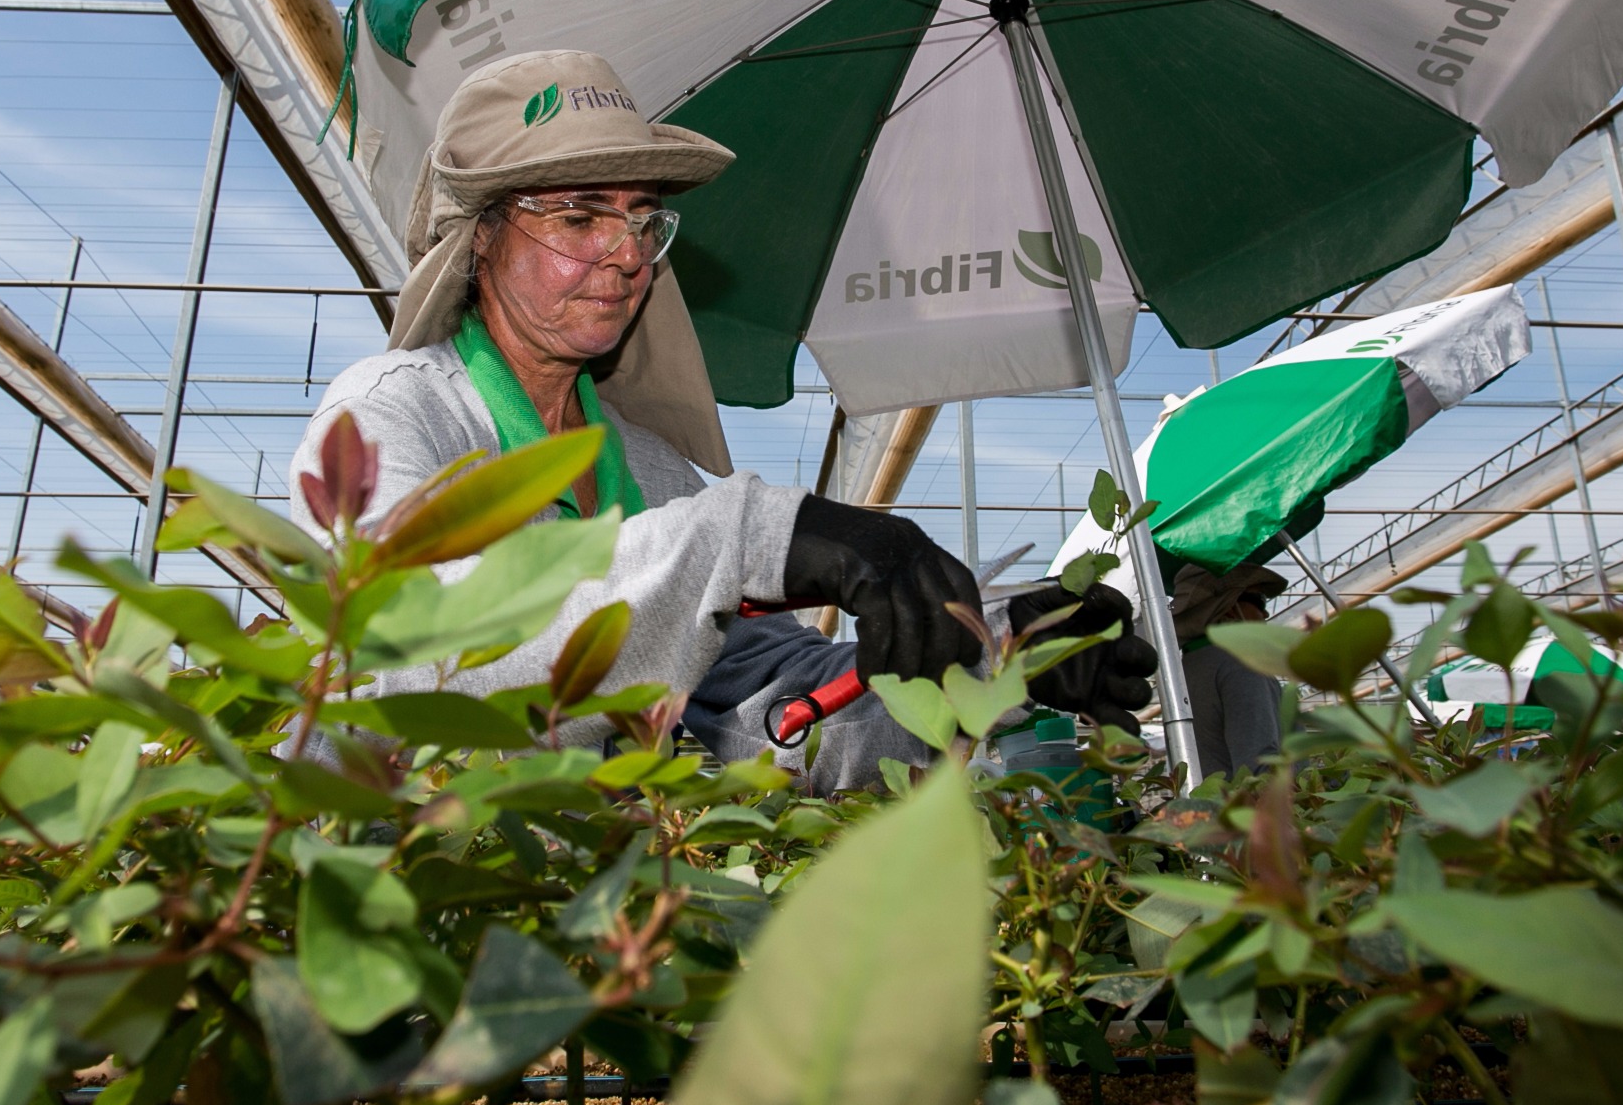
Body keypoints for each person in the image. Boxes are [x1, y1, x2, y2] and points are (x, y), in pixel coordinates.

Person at [290, 49, 1154, 791]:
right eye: (582, 214)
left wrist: (998, 658)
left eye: (641, 220)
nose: (628, 255)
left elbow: (781, 714)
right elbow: (400, 656)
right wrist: (747, 536)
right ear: (479, 238)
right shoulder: (393, 415)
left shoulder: (651, 475)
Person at [1170, 562, 1287, 776]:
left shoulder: (1185, 667)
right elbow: (1259, 770)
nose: (1266, 613)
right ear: (1231, 608)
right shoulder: (1242, 666)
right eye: (1259, 601)